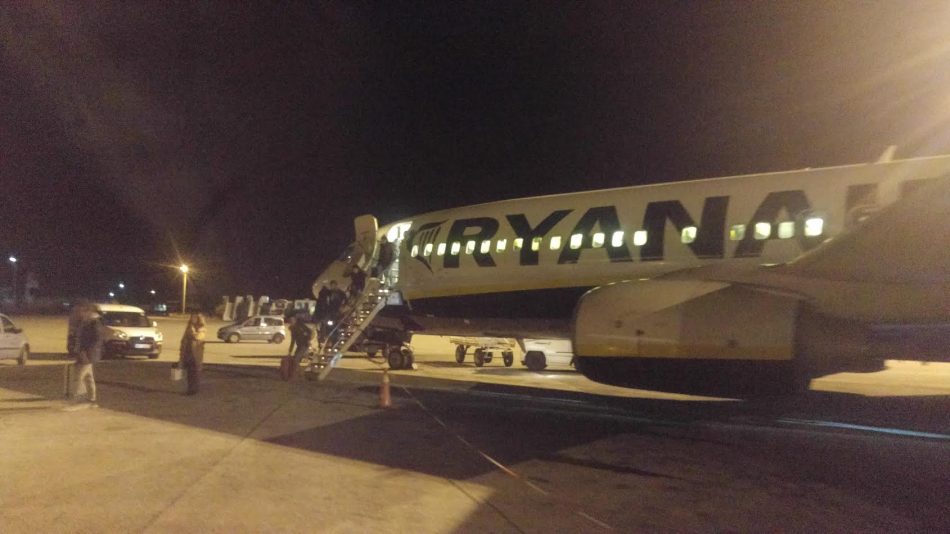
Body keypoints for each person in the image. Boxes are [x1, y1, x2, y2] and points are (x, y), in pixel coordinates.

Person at [69, 307, 104, 408]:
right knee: (88, 378)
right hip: (85, 354)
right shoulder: (87, 322)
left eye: (85, 311)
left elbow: (95, 340)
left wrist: (85, 352)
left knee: (78, 378)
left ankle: (77, 399)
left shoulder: (94, 324)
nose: (82, 313)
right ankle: (92, 400)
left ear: (91, 312)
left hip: (87, 355)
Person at [179, 313, 207, 395]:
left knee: (195, 373)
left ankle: (194, 389)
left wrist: (192, 330)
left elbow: (197, 337)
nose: (192, 319)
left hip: (196, 355)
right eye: (192, 318)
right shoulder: (189, 328)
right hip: (188, 353)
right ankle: (190, 389)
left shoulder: (202, 329)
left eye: (194, 318)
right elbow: (184, 340)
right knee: (189, 373)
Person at [286, 314, 314, 379]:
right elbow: (292, 341)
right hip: (299, 346)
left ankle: (299, 374)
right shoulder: (293, 329)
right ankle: (298, 373)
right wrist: (290, 351)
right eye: (290, 321)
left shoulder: (300, 326)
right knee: (296, 360)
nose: (291, 322)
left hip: (304, 345)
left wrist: (308, 339)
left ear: (295, 320)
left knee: (296, 360)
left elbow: (309, 331)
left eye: (292, 320)